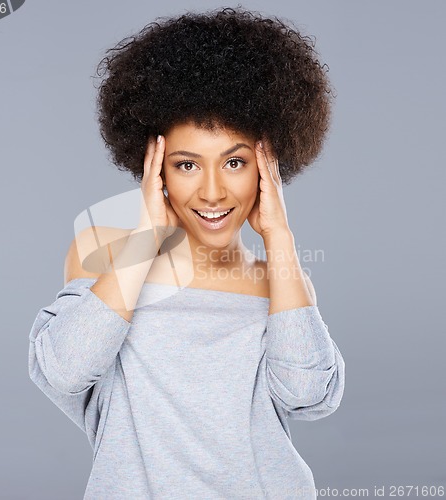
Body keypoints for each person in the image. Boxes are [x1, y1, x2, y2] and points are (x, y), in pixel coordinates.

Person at [28, 7, 345, 499]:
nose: (214, 192)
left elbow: (307, 396)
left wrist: (279, 235)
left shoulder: (278, 279)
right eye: (187, 164)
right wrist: (146, 236)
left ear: (268, 167)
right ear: (156, 170)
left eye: (235, 162)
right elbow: (64, 370)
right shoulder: (103, 254)